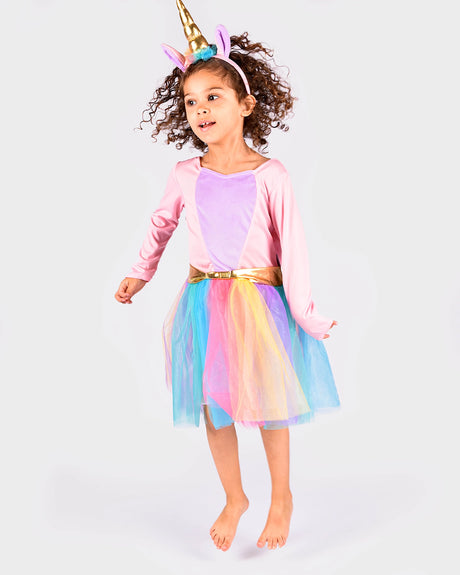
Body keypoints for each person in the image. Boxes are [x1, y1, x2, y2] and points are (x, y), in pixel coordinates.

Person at [114, 0, 340, 553]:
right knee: (213, 403)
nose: (201, 110)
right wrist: (140, 273)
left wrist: (306, 312)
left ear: (246, 103)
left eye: (213, 97)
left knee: (268, 402)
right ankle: (235, 496)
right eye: (191, 102)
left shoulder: (271, 175)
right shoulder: (185, 174)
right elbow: (161, 225)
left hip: (259, 302)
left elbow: (294, 248)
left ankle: (281, 496)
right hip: (202, 300)